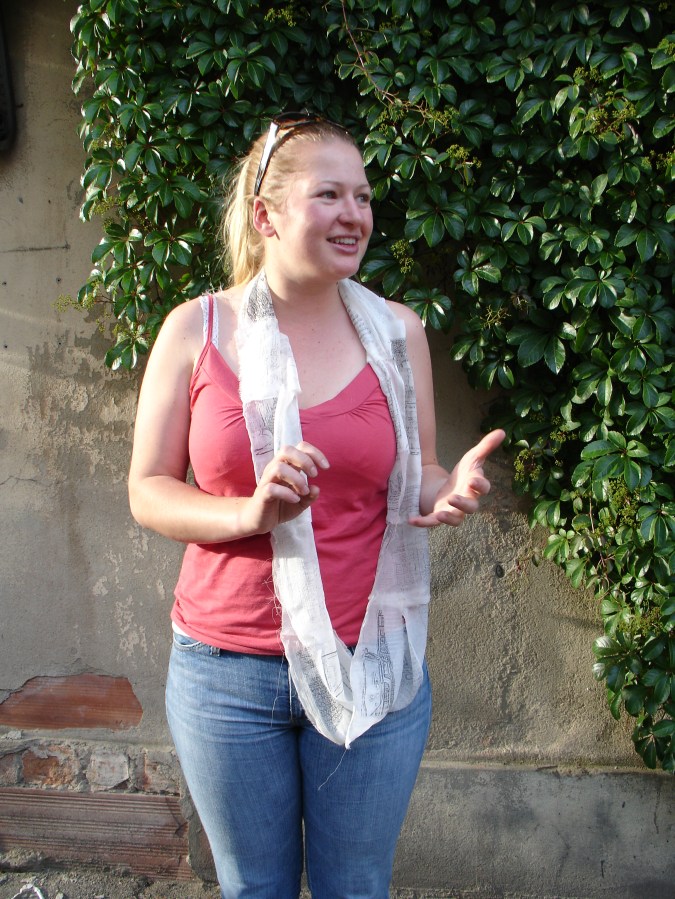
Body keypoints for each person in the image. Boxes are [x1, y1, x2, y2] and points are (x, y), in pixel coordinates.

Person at [128, 111, 505, 899]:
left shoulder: (397, 332)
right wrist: (248, 514)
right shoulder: (195, 329)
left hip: (372, 662)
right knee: (254, 888)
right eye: (329, 194)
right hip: (225, 672)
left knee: (355, 885)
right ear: (265, 215)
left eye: (362, 196)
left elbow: (418, 472)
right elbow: (148, 489)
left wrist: (446, 489)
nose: (354, 214)